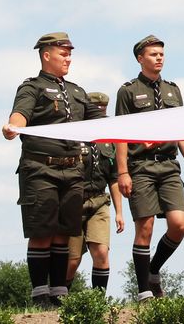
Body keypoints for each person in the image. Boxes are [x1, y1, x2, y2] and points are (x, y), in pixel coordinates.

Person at [2, 32, 105, 308]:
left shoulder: (77, 92)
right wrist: (12, 127)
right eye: (63, 53)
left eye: (70, 53)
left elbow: (102, 122)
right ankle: (39, 295)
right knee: (42, 232)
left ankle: (59, 293)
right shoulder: (32, 87)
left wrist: (141, 124)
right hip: (40, 169)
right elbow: (19, 115)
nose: (68, 58)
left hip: (72, 171)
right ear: (47, 55)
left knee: (64, 232)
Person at [114, 35, 184, 301]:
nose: (159, 58)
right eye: (153, 54)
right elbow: (119, 135)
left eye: (161, 54)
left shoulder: (173, 90)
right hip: (140, 167)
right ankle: (144, 291)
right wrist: (123, 172)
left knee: (179, 224)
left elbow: (182, 130)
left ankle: (152, 270)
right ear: (140, 59)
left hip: (169, 166)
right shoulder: (127, 91)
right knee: (146, 227)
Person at [66, 92, 126, 291]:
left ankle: (97, 301)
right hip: (74, 203)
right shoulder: (72, 137)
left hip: (99, 201)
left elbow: (114, 179)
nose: (100, 113)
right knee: (72, 260)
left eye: (103, 109)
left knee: (101, 253)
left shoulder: (108, 143)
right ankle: (58, 299)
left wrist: (119, 212)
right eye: (96, 109)